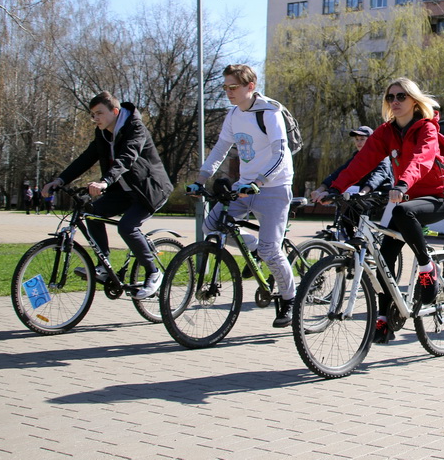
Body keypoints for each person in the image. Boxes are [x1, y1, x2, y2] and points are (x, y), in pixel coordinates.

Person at [327, 77, 444, 344]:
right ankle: (385, 320)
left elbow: (422, 159)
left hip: (438, 196)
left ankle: (426, 266)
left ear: (414, 100)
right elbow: (361, 162)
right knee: (384, 259)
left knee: (401, 212)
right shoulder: (386, 132)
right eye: (390, 97)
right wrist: (334, 187)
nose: (395, 102)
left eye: (401, 97)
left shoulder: (427, 129)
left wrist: (402, 182)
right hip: (404, 196)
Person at [191, 64, 297, 329]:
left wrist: (260, 180)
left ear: (250, 86)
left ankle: (289, 298)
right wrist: (201, 179)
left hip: (274, 187)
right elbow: (220, 149)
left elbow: (280, 153)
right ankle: (253, 249)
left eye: (233, 87)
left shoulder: (270, 112)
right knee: (211, 226)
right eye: (225, 87)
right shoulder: (233, 115)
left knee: (271, 248)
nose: (228, 92)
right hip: (244, 186)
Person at [42, 91, 174, 300]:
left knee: (127, 227)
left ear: (115, 111)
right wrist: (60, 180)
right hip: (123, 191)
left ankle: (154, 272)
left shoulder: (135, 128)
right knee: (92, 213)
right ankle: (103, 266)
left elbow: (127, 157)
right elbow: (85, 158)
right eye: (92, 114)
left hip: (149, 190)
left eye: (99, 113)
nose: (95, 118)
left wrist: (105, 181)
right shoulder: (102, 134)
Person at [309, 126, 393, 239]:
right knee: (346, 219)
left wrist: (364, 191)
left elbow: (379, 175)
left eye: (362, 139)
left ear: (371, 140)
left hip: (379, 194)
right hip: (362, 195)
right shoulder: (356, 157)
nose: (358, 142)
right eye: (357, 139)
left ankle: (364, 243)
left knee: (356, 211)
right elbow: (339, 173)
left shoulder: (381, 155)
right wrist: (320, 190)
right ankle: (354, 248)